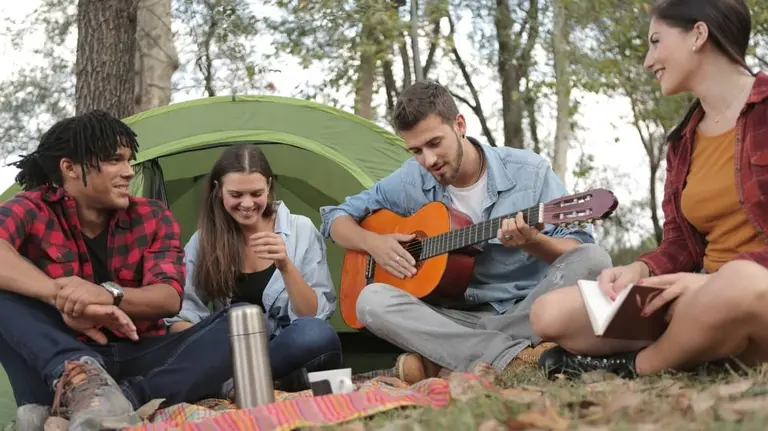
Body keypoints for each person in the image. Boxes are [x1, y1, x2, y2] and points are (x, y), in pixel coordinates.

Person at [530, 0, 768, 379]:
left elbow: (736, 281)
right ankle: (701, 346)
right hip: (696, 293)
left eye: (656, 41)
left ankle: (638, 366)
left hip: (751, 292)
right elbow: (681, 244)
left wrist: (716, 284)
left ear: (698, 35)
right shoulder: (682, 143)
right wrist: (639, 269)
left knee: (738, 284)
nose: (648, 60)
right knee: (550, 312)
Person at [319, 80, 612, 383]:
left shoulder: (530, 172)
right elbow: (334, 219)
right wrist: (373, 243)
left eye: (434, 143)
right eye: (416, 150)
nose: (428, 160)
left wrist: (533, 242)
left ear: (459, 125)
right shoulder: (411, 180)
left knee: (594, 259)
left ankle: (461, 355)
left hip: (530, 308)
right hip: (458, 317)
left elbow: (577, 249)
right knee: (370, 302)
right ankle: (515, 355)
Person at [0, 110, 239, 429]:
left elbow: (169, 297)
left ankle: (121, 399)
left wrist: (106, 295)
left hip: (139, 353)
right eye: (115, 160)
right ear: (69, 167)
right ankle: (82, 384)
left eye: (129, 160)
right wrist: (59, 295)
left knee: (245, 322)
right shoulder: (32, 207)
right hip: (59, 364)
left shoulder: (153, 216)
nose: (128, 172)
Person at [166, 144, 341, 391]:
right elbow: (182, 316)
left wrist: (285, 265)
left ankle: (243, 384)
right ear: (218, 189)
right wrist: (210, 347)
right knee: (211, 329)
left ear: (269, 186)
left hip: (288, 350)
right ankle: (260, 383)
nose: (247, 204)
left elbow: (312, 316)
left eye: (256, 193)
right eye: (236, 195)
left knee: (318, 335)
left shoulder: (300, 230)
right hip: (232, 351)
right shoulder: (204, 241)